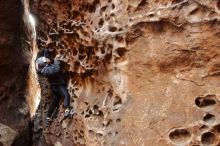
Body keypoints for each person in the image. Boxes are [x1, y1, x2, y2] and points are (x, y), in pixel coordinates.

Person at [36, 48, 73, 124]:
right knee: (66, 95)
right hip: (58, 85)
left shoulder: (45, 68)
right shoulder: (46, 70)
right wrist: (56, 60)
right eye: (45, 60)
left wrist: (47, 50)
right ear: (44, 64)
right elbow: (56, 69)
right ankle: (67, 110)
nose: (46, 59)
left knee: (55, 101)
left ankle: (48, 117)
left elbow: (47, 58)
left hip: (54, 87)